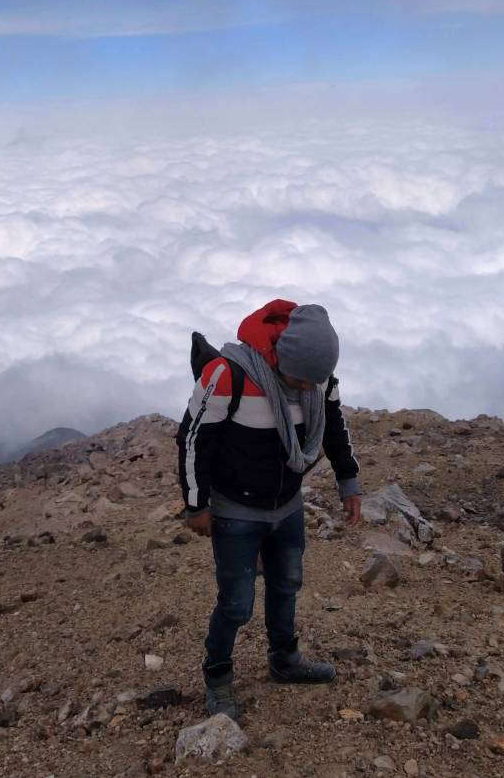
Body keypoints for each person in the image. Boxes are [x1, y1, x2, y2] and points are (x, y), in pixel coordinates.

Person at [177, 299, 362, 719]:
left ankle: (284, 660)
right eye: (298, 380)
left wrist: (348, 479)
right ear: (280, 357)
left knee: (286, 584)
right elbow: (193, 439)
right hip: (235, 510)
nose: (304, 389)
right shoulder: (228, 375)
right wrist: (196, 504)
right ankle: (218, 675)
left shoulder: (317, 381)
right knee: (237, 603)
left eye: (312, 382)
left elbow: (333, 426)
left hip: (287, 505)